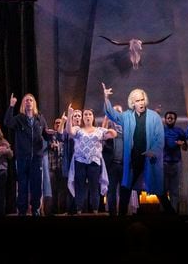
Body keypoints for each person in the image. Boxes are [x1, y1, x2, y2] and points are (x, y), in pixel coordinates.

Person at [102, 83, 173, 215]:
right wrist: (106, 98)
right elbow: (112, 115)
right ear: (132, 103)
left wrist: (153, 151)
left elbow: (160, 138)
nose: (141, 103)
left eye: (142, 100)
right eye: (137, 101)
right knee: (125, 190)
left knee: (160, 192)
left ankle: (173, 218)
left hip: (149, 159)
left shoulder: (154, 117)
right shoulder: (127, 116)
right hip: (133, 160)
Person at [4, 93, 52, 217]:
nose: (28, 102)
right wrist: (11, 106)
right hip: (22, 158)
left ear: (34, 103)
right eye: (26, 100)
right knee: (22, 185)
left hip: (36, 158)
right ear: (23, 104)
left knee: (36, 186)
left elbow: (46, 135)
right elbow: (8, 122)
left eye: (31, 100)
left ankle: (35, 209)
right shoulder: (19, 118)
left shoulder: (40, 118)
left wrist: (50, 134)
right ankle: (22, 210)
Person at [66, 105, 116, 214]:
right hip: (80, 161)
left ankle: (95, 210)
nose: (87, 116)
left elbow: (112, 134)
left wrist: (109, 131)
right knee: (80, 186)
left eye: (90, 114)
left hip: (94, 162)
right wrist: (70, 115)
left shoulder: (99, 130)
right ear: (83, 117)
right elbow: (69, 131)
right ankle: (79, 210)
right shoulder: (78, 129)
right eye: (85, 114)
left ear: (93, 117)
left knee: (94, 187)